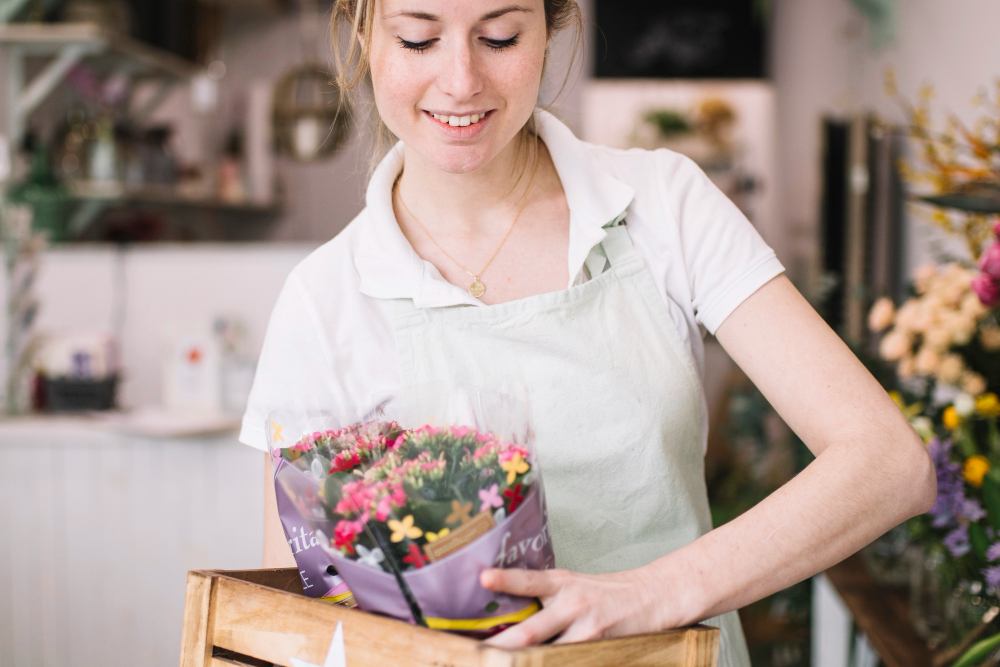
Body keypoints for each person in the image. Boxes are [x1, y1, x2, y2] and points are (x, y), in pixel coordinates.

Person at [239, 1, 936, 663]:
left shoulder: (664, 204)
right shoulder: (323, 300)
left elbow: (887, 462)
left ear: (549, 29)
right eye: (418, 38)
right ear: (364, 37)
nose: (460, 80)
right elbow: (285, 625)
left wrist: (654, 591)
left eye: (501, 37)